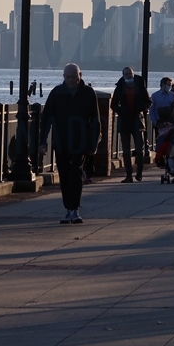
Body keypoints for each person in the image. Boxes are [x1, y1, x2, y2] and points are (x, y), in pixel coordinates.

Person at [39, 64, 100, 225]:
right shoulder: (57, 93)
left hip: (81, 141)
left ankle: (75, 209)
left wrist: (93, 144)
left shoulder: (88, 93)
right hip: (61, 141)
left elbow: (95, 119)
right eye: (68, 77)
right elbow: (46, 118)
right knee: (64, 175)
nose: (71, 80)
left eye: (74, 76)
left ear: (80, 75)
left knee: (76, 173)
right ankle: (68, 209)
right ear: (64, 76)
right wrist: (42, 141)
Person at [110, 66, 151, 183]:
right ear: (123, 75)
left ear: (133, 73)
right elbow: (113, 105)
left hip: (137, 120)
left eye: (130, 73)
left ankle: (139, 172)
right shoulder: (120, 87)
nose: (129, 76)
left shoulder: (139, 84)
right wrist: (121, 111)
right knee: (126, 150)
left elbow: (148, 101)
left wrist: (141, 108)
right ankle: (128, 175)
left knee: (139, 148)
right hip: (125, 121)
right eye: (126, 74)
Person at [150, 77, 174, 151]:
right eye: (168, 85)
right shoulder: (155, 96)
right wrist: (155, 122)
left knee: (170, 141)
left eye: (171, 85)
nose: (170, 87)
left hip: (170, 122)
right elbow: (152, 110)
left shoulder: (172, 95)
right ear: (163, 85)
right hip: (159, 122)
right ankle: (160, 158)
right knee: (160, 141)